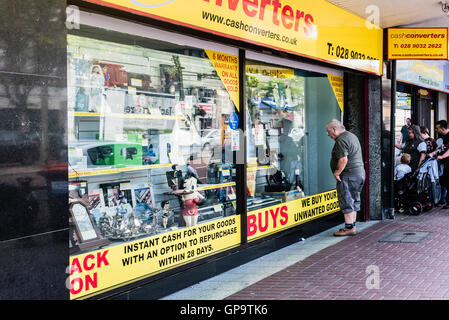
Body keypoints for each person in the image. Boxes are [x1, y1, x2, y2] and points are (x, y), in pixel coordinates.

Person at [326, 120, 365, 236]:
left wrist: (337, 173)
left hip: (349, 175)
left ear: (334, 129)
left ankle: (349, 228)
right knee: (354, 198)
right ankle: (352, 225)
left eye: (328, 132)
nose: (328, 135)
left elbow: (343, 159)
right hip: (359, 173)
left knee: (346, 199)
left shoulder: (341, 140)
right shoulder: (351, 136)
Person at [429, 120, 449, 208]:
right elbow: (439, 148)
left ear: (443, 128)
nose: (436, 130)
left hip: (447, 161)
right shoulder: (441, 137)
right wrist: (433, 153)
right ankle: (443, 199)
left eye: (437, 128)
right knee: (444, 180)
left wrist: (442, 156)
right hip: (443, 163)